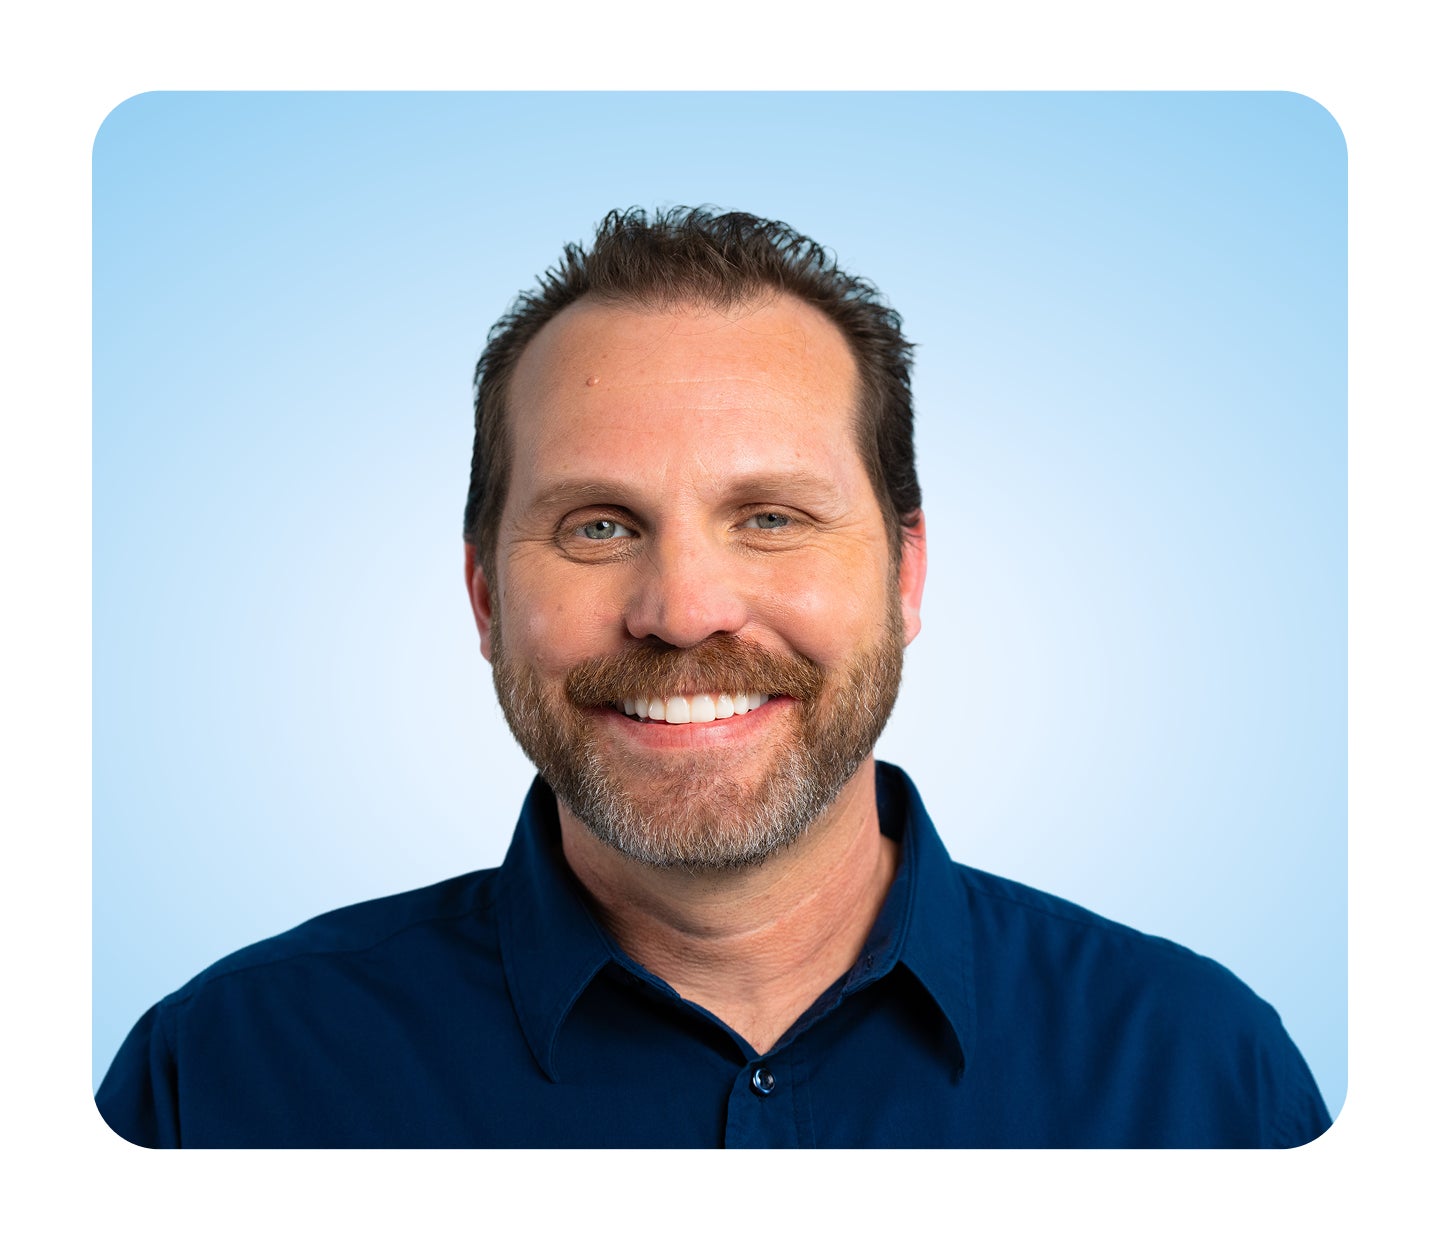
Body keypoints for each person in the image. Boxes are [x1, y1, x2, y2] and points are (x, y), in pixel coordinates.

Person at [96, 207, 1332, 1148]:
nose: (684, 610)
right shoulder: (216, 1082)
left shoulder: (1202, 1074)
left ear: (907, 575)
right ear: (483, 596)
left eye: (773, 517)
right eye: (597, 526)